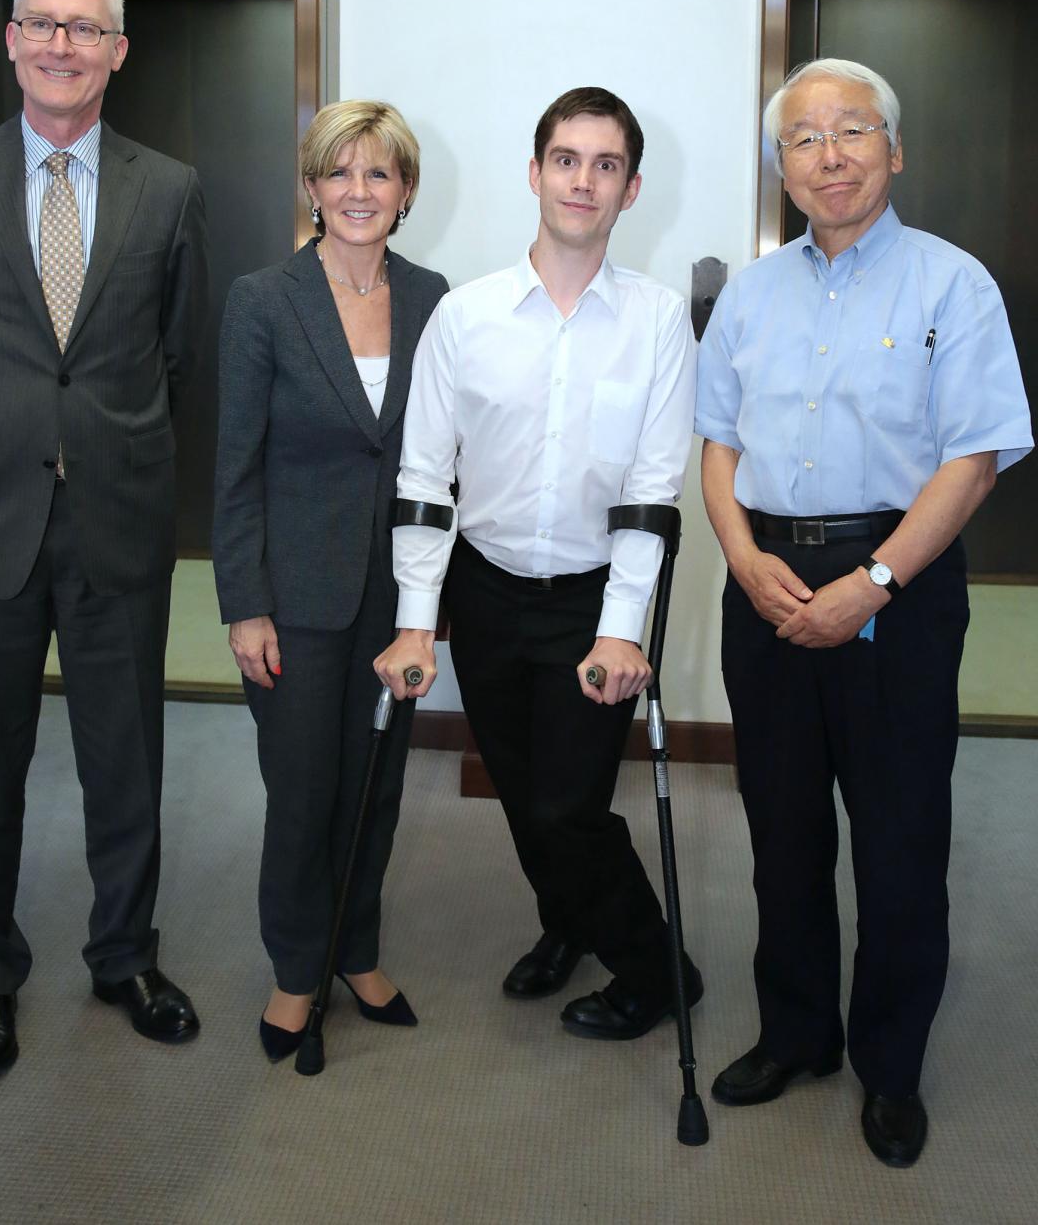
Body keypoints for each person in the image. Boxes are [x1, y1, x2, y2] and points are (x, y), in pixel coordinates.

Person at [696, 58, 1031, 1166]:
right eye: (803, 138)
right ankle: (798, 1032)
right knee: (780, 833)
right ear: (779, 165)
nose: (829, 155)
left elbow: (974, 459)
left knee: (897, 841)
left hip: (898, 584)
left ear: (894, 149)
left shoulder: (952, 284)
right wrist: (742, 556)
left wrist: (874, 582)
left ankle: (891, 1066)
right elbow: (717, 443)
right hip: (767, 587)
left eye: (853, 132)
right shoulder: (749, 293)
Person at [0, 0, 209, 1081]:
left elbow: (172, 352)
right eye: (44, 24)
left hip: (116, 516)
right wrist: (0, 438)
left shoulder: (170, 188)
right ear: (14, 40)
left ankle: (125, 954)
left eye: (87, 28)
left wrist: (89, 442)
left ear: (118, 50)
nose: (64, 45)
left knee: (128, 758)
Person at [376, 87, 700, 1042]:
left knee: (569, 803)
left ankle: (657, 965)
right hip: (484, 590)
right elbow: (426, 475)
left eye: (606, 165)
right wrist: (414, 617)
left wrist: (623, 627)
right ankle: (567, 923)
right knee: (522, 793)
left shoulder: (655, 322)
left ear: (631, 189)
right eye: (567, 159)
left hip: (592, 598)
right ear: (536, 173)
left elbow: (652, 489)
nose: (583, 180)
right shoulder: (465, 316)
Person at [213, 100, 448, 1063]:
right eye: (339, 173)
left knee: (376, 785)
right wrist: (245, 606)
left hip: (399, 598)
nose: (359, 191)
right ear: (312, 187)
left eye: (379, 174)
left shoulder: (436, 297)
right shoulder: (264, 299)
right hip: (295, 602)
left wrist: (431, 606)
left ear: (405, 192)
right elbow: (235, 466)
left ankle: (357, 951)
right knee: (303, 790)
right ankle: (296, 967)